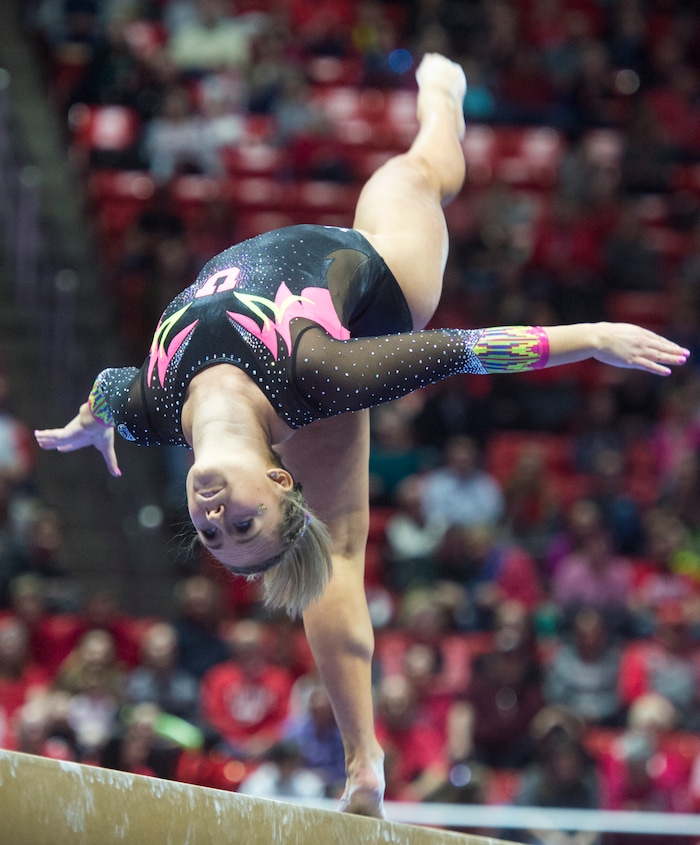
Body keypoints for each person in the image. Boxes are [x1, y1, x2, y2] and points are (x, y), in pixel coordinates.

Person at [34, 54, 689, 816]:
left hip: (301, 298)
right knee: (417, 172)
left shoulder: (153, 409)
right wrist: (593, 334)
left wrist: (91, 421)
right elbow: (468, 348)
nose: (215, 514)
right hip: (377, 288)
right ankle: (363, 767)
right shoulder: (324, 377)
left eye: (213, 533)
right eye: (242, 523)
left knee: (331, 551)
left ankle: (363, 764)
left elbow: (112, 388)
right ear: (282, 482)